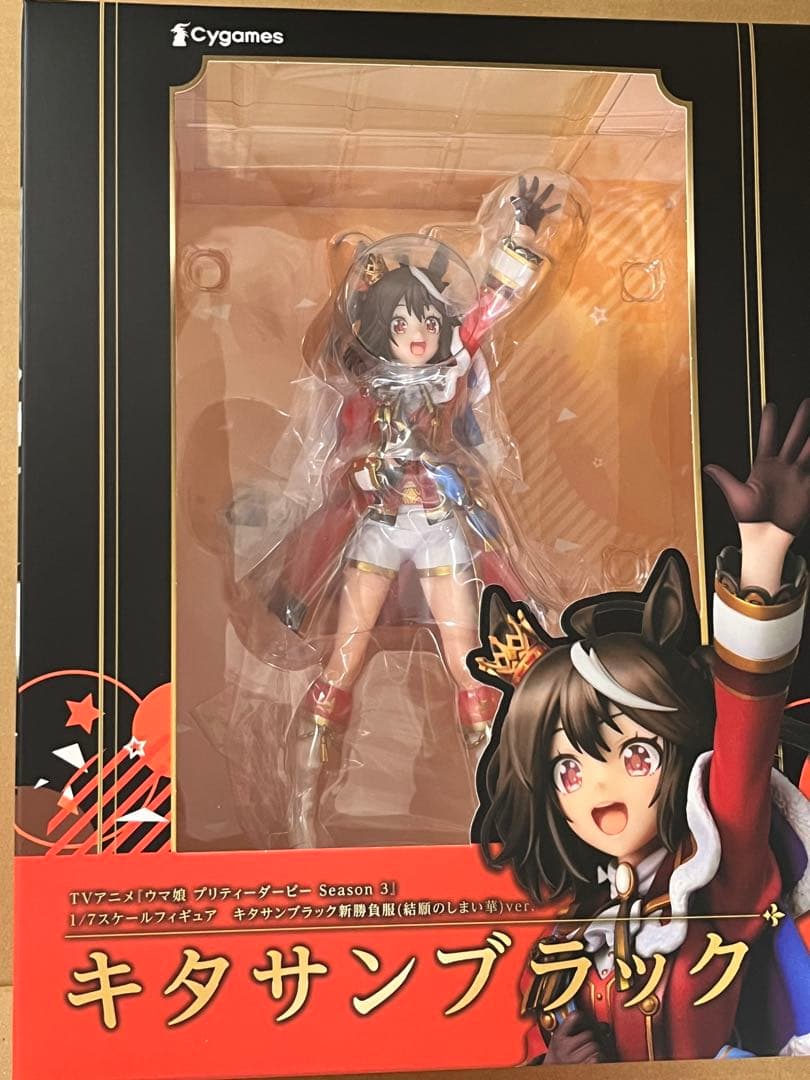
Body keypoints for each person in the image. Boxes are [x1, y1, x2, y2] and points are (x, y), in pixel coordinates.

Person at [472, 400, 810, 1061]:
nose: (598, 787)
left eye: (634, 754)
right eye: (569, 770)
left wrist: (763, 557)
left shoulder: (715, 874)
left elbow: (745, 740)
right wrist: (559, 1063)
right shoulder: (579, 928)